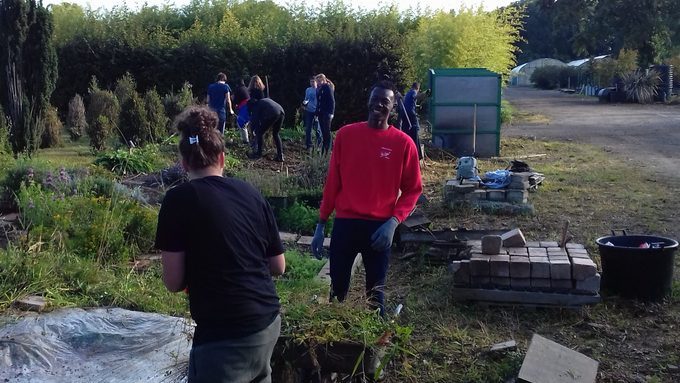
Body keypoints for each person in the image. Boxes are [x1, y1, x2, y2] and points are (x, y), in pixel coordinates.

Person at [155, 105, 285, 383]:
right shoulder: (250, 192)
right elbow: (278, 265)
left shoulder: (178, 200)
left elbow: (174, 281)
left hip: (224, 337)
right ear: (223, 158)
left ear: (184, 163)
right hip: (267, 322)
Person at [310, 80, 422, 316]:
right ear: (368, 100)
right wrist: (321, 224)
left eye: (386, 101)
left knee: (375, 296)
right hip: (346, 225)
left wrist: (393, 223)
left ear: (393, 107)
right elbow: (333, 183)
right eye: (375, 98)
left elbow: (413, 189)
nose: (379, 104)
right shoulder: (346, 135)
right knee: (337, 292)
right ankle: (338, 342)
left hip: (379, 228)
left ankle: (373, 344)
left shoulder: (403, 144)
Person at [249, 97, 285, 162]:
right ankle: (280, 156)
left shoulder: (256, 106)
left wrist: (252, 133)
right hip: (281, 111)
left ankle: (259, 153)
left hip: (273, 113)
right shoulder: (263, 101)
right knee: (276, 133)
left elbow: (255, 122)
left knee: (259, 133)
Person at [397, 82, 423, 159]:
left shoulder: (408, 93)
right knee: (416, 128)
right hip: (410, 113)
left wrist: (417, 106)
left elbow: (409, 102)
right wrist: (423, 95)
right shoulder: (413, 92)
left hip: (404, 113)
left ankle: (406, 142)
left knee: (406, 129)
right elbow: (415, 96)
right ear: (417, 88)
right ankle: (416, 151)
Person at [315, 73, 335, 154]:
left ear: (323, 80)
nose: (318, 83)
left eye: (320, 81)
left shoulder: (327, 87)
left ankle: (328, 148)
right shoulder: (321, 88)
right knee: (323, 131)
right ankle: (326, 147)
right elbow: (319, 101)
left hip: (327, 113)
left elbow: (332, 101)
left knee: (326, 131)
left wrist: (331, 113)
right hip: (321, 113)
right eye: (318, 81)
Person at [302, 76, 321, 151]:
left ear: (316, 82)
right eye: (311, 82)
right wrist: (304, 104)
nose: (312, 83)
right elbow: (306, 99)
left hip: (316, 112)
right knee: (308, 128)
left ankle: (318, 145)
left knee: (317, 129)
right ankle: (308, 145)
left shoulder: (319, 90)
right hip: (309, 111)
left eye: (313, 81)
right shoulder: (308, 90)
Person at [233, 78, 251, 144]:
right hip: (250, 106)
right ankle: (250, 139)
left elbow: (235, 101)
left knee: (241, 123)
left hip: (244, 107)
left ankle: (245, 141)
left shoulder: (238, 89)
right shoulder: (246, 88)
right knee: (247, 123)